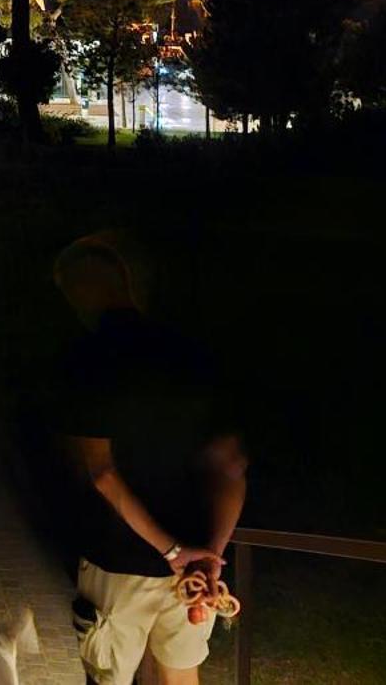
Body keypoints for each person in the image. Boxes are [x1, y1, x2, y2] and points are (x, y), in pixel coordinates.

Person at [53, 233, 247, 685]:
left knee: (108, 676)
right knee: (181, 674)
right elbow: (230, 466)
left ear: (82, 291)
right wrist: (210, 555)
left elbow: (102, 473)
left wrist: (172, 552)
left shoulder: (86, 359)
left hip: (116, 560)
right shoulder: (193, 354)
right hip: (195, 564)